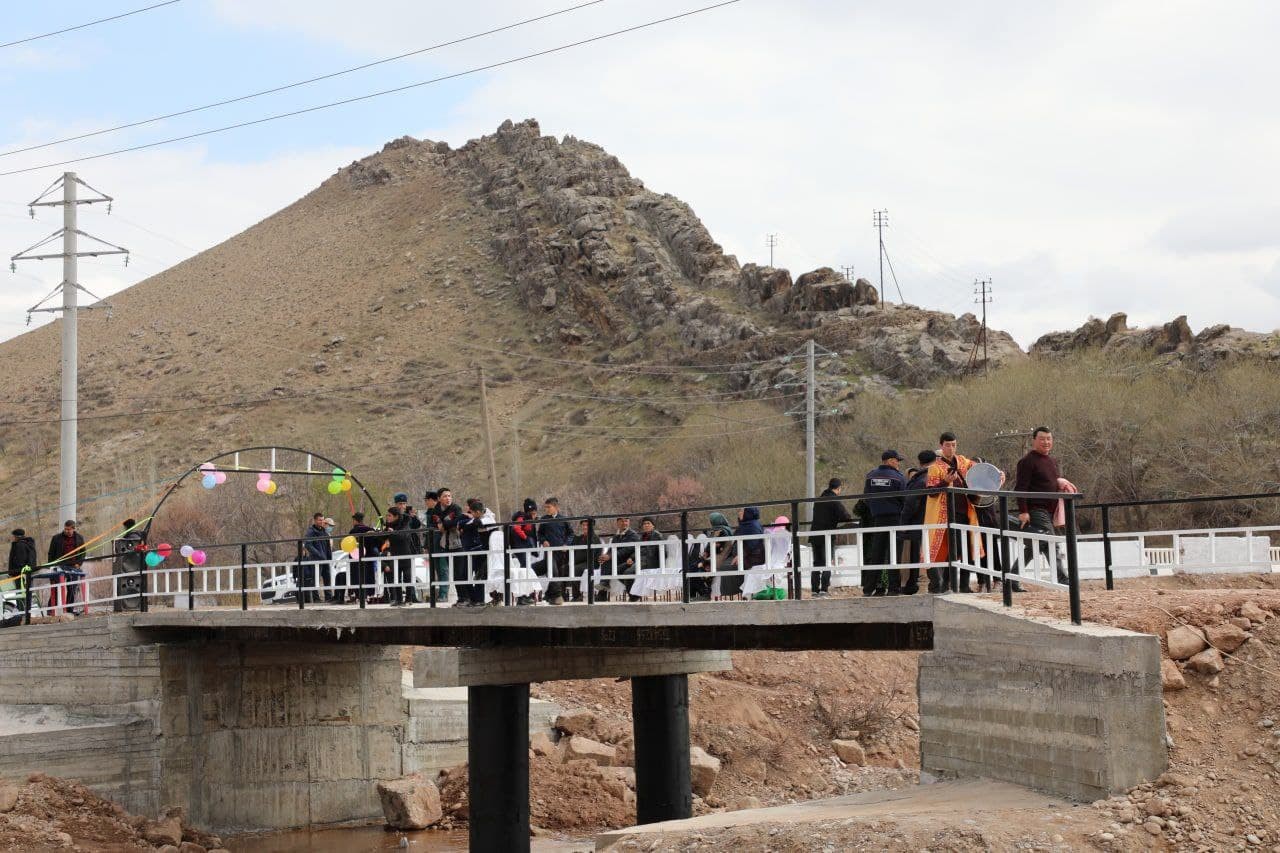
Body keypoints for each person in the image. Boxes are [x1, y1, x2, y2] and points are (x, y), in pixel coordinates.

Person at [923, 432, 983, 593]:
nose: (951, 448)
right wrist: (945, 482)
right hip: (944, 516)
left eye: (954, 444)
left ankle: (962, 585)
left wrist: (997, 475)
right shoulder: (934, 468)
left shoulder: (963, 462)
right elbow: (931, 492)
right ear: (941, 446)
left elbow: (980, 470)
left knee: (965, 550)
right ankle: (944, 585)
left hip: (965, 512)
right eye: (948, 445)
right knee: (947, 551)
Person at [1015, 426, 1067, 584]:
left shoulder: (1051, 461)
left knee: (1034, 547)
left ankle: (1011, 579)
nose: (1046, 442)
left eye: (1049, 439)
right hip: (1037, 510)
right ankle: (1063, 578)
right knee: (1052, 543)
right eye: (1042, 439)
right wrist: (1023, 511)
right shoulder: (1027, 461)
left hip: (1050, 511)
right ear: (1034, 441)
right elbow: (1021, 488)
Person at [863, 451, 907, 596]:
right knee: (894, 554)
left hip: (878, 519)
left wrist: (876, 508)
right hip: (895, 518)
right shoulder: (898, 477)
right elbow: (904, 499)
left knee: (877, 554)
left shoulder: (870, 476)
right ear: (889, 461)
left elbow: (866, 498)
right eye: (896, 461)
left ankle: (870, 588)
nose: (898, 464)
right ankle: (893, 588)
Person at [899, 451, 937, 593]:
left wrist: (904, 522)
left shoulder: (920, 480)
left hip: (920, 522)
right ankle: (937, 585)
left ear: (920, 463)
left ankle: (932, 585)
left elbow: (911, 503)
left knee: (921, 553)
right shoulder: (939, 477)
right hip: (935, 521)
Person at [810, 478, 853, 597]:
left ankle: (814, 590)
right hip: (827, 536)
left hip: (814, 535)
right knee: (827, 562)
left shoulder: (818, 500)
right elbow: (845, 516)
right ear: (838, 488)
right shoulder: (834, 500)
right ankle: (824, 589)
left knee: (817, 563)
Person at [537, 497, 574, 605]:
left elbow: (571, 534)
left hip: (561, 553)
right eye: (546, 507)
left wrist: (566, 544)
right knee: (554, 572)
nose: (547, 509)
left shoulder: (564, 519)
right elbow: (540, 534)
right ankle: (557, 596)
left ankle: (549, 595)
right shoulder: (544, 519)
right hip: (549, 552)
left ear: (556, 507)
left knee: (558, 574)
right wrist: (543, 541)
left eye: (549, 507)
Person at [456, 498, 491, 607]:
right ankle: (473, 598)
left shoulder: (486, 517)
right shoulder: (464, 517)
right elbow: (459, 524)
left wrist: (470, 523)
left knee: (480, 575)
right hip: (467, 550)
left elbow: (478, 523)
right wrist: (468, 521)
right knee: (464, 575)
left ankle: (479, 600)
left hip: (479, 549)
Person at [723, 507, 764, 599]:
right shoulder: (745, 525)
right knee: (723, 565)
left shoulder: (753, 526)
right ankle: (731, 594)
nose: (739, 513)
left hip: (752, 557)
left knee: (726, 567)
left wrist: (740, 556)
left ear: (748, 513)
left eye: (741, 511)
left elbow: (753, 544)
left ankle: (736, 594)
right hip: (742, 555)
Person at [46, 520, 85, 611]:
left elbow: (83, 552)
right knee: (56, 588)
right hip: (59, 566)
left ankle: (69, 610)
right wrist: (51, 566)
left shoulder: (79, 538)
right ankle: (51, 610)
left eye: (68, 529)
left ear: (73, 529)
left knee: (72, 588)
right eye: (65, 529)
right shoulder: (56, 538)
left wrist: (79, 564)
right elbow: (51, 553)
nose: (66, 531)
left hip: (73, 567)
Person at [434, 488, 465, 603]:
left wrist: (445, 523)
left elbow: (455, 522)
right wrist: (445, 523)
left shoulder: (456, 508)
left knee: (460, 573)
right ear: (439, 499)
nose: (448, 498)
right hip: (445, 545)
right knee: (453, 573)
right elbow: (438, 524)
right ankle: (461, 598)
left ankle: (464, 598)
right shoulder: (437, 509)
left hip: (458, 544)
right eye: (445, 496)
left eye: (449, 496)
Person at [382, 506, 417, 605]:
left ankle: (409, 599)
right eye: (387, 515)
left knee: (407, 577)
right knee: (396, 577)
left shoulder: (405, 523)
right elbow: (383, 537)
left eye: (389, 515)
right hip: (394, 554)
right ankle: (398, 599)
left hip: (405, 554)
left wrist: (393, 532)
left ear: (396, 516)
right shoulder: (388, 525)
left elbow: (403, 536)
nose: (387, 517)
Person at [599, 517, 640, 600]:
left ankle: (602, 592)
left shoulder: (633, 535)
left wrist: (610, 556)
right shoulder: (616, 536)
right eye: (621, 521)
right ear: (617, 523)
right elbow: (611, 549)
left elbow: (627, 550)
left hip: (629, 560)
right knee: (605, 562)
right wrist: (605, 556)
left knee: (609, 563)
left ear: (629, 522)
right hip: (618, 559)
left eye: (626, 521)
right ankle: (603, 590)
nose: (624, 523)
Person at [423, 491, 449, 603]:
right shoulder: (429, 513)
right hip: (432, 543)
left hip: (441, 544)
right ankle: (436, 594)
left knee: (443, 569)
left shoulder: (440, 511)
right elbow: (427, 531)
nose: (426, 503)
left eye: (427, 501)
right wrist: (426, 545)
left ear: (433, 500)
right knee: (436, 570)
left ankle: (443, 594)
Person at [346, 512, 377, 603]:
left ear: (355, 520)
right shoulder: (370, 530)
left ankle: (358, 595)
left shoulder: (353, 532)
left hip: (356, 559)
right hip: (368, 558)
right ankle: (369, 595)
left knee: (357, 576)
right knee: (368, 576)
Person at [571, 519, 602, 599]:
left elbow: (589, 555)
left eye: (587, 525)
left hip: (591, 563)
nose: (585, 527)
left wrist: (574, 561)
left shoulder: (594, 538)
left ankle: (577, 596)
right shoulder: (580, 538)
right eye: (583, 525)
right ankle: (562, 594)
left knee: (574, 569)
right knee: (564, 568)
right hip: (580, 562)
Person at [510, 498, 539, 569]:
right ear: (529, 512)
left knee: (526, 565)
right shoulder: (522, 518)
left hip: (524, 546)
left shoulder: (530, 519)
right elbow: (516, 528)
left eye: (535, 513)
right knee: (524, 566)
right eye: (533, 513)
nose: (535, 515)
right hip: (520, 546)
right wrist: (525, 537)